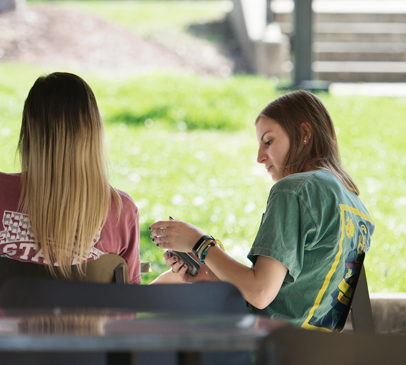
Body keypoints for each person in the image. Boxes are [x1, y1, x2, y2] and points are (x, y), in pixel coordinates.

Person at [149, 90, 374, 331]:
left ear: (305, 134)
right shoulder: (355, 205)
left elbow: (260, 292)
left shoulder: (294, 190)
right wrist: (206, 271)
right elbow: (296, 295)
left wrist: (200, 244)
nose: (259, 157)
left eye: (268, 141)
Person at [0, 72, 141, 284]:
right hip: (85, 317)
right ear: (93, 132)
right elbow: (127, 302)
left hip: (3, 317)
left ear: (28, 132)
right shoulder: (121, 210)